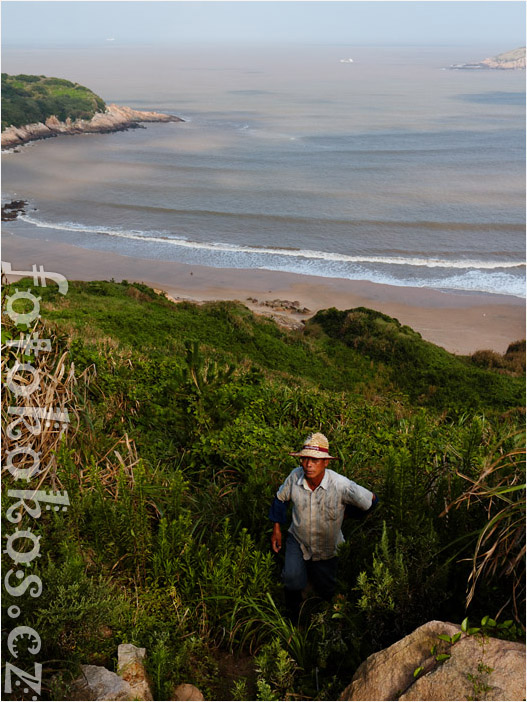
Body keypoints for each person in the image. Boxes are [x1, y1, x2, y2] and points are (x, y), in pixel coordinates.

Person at [269, 432, 378, 622]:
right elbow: (280, 499)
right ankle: (294, 620)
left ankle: (327, 622)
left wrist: (348, 514)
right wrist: (276, 529)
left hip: (327, 546)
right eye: (305, 459)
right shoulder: (295, 478)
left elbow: (371, 501)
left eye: (315, 460)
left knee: (326, 589)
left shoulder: (341, 485)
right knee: (292, 579)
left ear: (326, 463)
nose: (308, 465)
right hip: (299, 539)